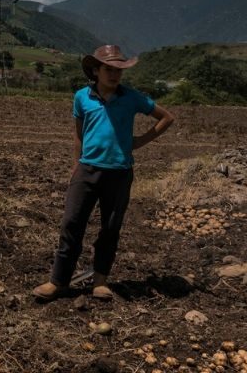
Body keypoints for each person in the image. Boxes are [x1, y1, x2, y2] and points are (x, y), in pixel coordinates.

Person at [34, 45, 175, 301]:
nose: (114, 75)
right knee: (71, 224)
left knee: (110, 228)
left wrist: (139, 141)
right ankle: (58, 281)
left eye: (118, 70)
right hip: (87, 170)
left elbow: (166, 117)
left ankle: (100, 281)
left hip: (119, 173)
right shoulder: (82, 97)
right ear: (96, 71)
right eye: (108, 69)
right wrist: (76, 164)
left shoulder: (132, 98)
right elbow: (79, 132)